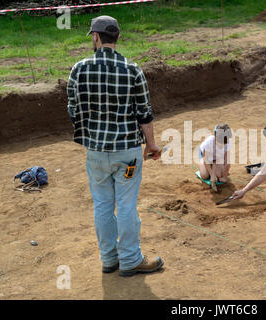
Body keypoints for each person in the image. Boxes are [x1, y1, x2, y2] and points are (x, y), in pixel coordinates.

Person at [66, 15, 164, 277]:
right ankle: (131, 259)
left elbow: (73, 111)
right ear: (117, 38)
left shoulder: (79, 69)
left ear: (95, 37)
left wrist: (92, 131)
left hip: (96, 153)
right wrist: (151, 144)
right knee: (127, 204)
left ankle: (109, 259)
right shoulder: (133, 71)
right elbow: (144, 113)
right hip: (128, 156)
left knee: (102, 205)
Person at [198, 124, 232, 191]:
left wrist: (224, 176)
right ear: (215, 137)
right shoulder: (209, 142)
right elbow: (206, 159)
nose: (222, 144)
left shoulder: (227, 142)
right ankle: (202, 163)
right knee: (205, 176)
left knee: (219, 175)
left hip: (217, 158)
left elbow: (227, 161)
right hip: (206, 158)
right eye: (220, 142)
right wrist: (212, 175)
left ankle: (214, 164)